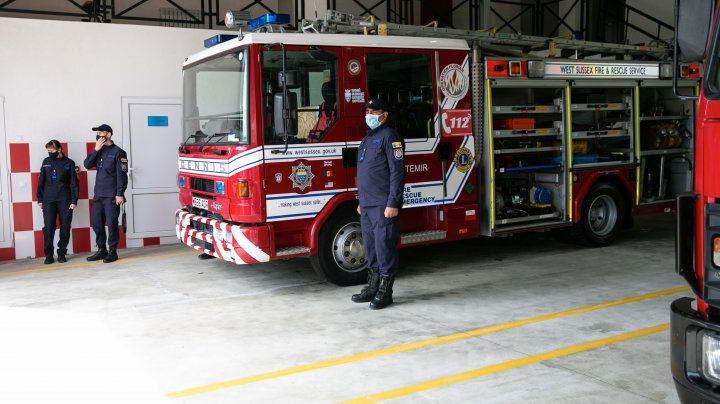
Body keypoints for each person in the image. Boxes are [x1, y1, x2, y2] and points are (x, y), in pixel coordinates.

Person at [351, 98, 405, 310]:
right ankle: (372, 287)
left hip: (384, 204)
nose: (369, 115)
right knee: (371, 247)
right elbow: (364, 174)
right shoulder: (366, 140)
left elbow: (397, 173)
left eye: (373, 112)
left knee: (384, 246)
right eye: (367, 112)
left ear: (384, 115)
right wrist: (360, 201)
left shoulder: (390, 137)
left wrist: (393, 202)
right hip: (367, 204)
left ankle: (386, 291)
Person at [83, 124, 128, 263]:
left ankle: (112, 251)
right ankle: (101, 250)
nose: (98, 134)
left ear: (108, 135)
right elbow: (87, 164)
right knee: (96, 223)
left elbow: (122, 175)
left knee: (112, 224)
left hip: (112, 195)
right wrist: (95, 150)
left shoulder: (119, 152)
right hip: (98, 194)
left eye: (100, 132)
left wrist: (119, 193)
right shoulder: (99, 150)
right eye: (97, 132)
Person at [37, 140, 79, 264]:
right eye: (48, 151)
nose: (49, 153)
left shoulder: (69, 163)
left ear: (59, 149)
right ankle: (49, 255)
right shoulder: (46, 162)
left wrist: (74, 200)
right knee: (49, 227)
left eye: (52, 151)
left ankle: (61, 253)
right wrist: (40, 199)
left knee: (65, 226)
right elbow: (41, 181)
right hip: (48, 199)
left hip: (65, 198)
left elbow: (75, 184)